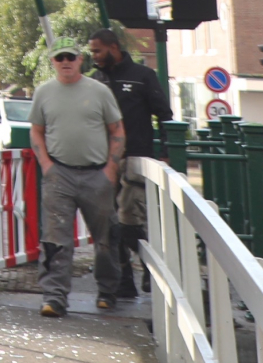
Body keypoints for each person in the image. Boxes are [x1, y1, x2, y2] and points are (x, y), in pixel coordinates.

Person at [30, 44, 127, 317]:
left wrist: (111, 168)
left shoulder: (99, 91)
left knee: (106, 236)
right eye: (59, 58)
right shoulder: (44, 92)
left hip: (96, 173)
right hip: (59, 174)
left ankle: (108, 291)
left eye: (70, 57)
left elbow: (117, 129)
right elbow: (37, 131)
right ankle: (54, 297)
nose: (65, 62)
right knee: (55, 238)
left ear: (80, 60)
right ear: (53, 62)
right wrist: (46, 165)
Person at [90, 27, 171, 290]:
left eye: (98, 51)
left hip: (135, 158)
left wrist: (166, 153)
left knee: (128, 221)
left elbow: (164, 114)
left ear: (113, 48)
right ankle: (124, 276)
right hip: (103, 161)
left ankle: (151, 267)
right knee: (106, 223)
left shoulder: (142, 76)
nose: (94, 57)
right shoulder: (95, 80)